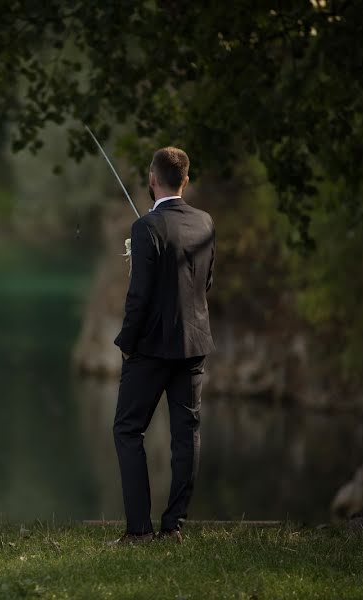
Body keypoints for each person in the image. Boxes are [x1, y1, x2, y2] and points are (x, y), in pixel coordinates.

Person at [112, 147, 215, 544]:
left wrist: (126, 343)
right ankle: (174, 527)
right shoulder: (205, 222)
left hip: (151, 348)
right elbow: (205, 283)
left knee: (127, 429)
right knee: (186, 434)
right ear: (185, 180)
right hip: (194, 344)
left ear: (152, 180)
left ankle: (139, 530)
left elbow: (138, 298)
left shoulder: (145, 228)